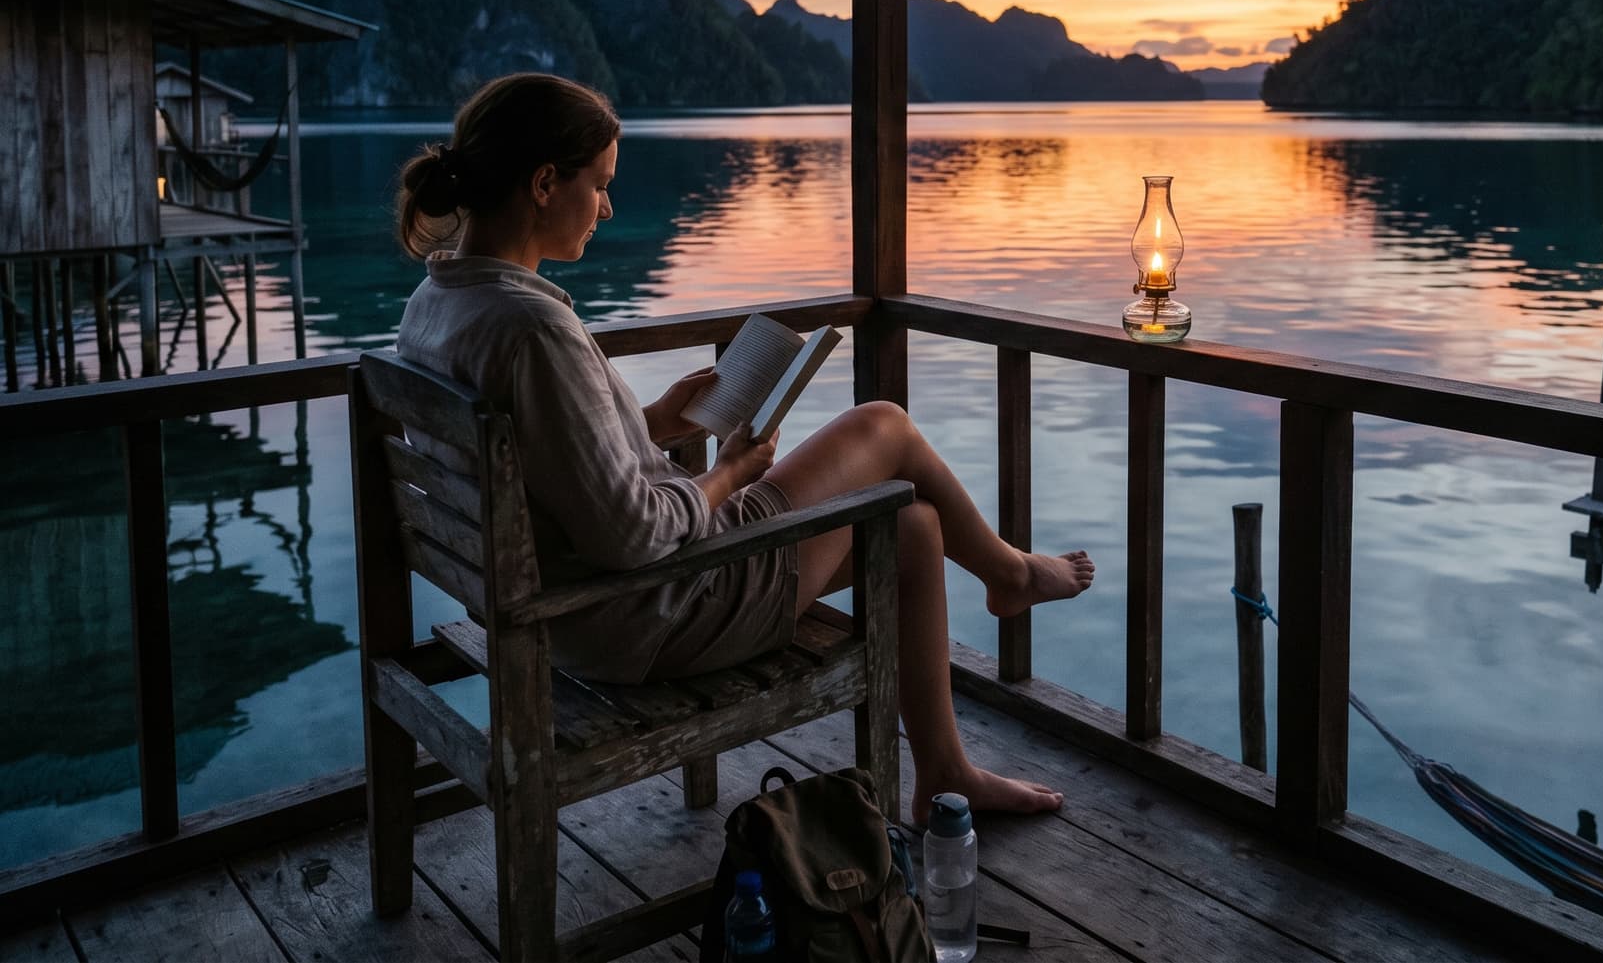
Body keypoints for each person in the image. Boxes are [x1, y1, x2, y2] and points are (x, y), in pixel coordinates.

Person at [392, 72, 1093, 820]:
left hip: (570, 615)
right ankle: (1009, 570)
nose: (607, 206)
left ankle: (945, 773)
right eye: (598, 185)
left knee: (916, 528)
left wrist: (656, 421)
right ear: (542, 183)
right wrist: (728, 472)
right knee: (882, 423)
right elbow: (634, 533)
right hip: (653, 610)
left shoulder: (438, 305)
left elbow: (544, 463)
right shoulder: (534, 329)